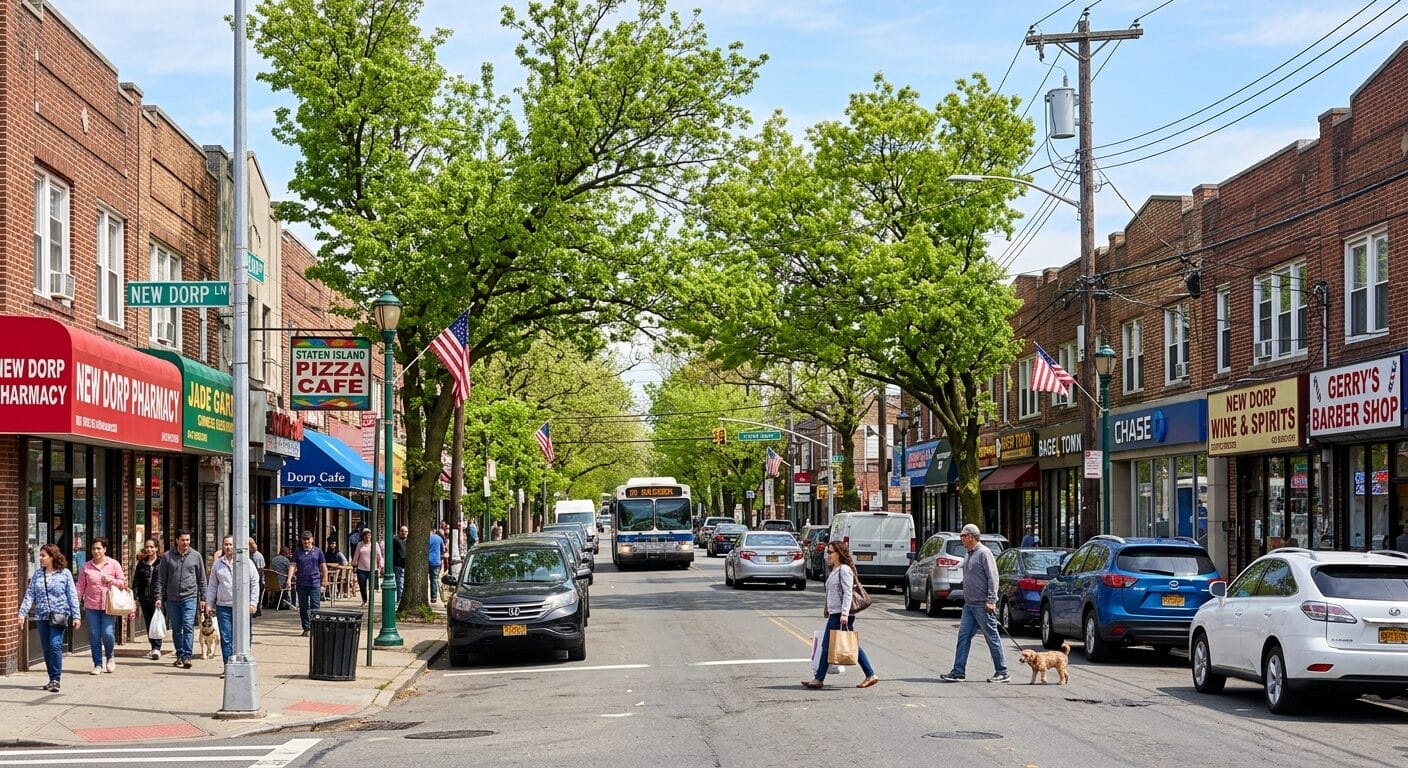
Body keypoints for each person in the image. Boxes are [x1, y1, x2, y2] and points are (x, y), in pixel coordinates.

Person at [801, 540, 878, 689]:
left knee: (827, 645)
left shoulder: (844, 570)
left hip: (841, 614)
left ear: (839, 553)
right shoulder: (835, 569)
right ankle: (870, 674)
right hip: (835, 612)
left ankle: (819, 679)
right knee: (847, 644)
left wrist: (844, 614)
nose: (828, 555)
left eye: (830, 552)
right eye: (827, 552)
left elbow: (848, 593)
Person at [941, 524, 1009, 683]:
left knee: (991, 637)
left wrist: (991, 600)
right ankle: (958, 671)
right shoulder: (969, 554)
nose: (961, 539)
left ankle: (1002, 671)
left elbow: (993, 578)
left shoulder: (984, 553)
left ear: (971, 536)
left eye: (963, 536)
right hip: (969, 604)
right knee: (963, 636)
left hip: (982, 604)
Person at [17, 544, 81, 692]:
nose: (40, 558)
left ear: (52, 557)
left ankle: (56, 679)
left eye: (43, 556)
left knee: (55, 645)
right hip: (42, 616)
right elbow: (30, 595)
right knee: (46, 649)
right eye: (40, 555)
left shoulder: (65, 574)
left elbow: (72, 595)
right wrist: (22, 613)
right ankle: (52, 678)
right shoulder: (38, 574)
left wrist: (76, 616)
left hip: (59, 615)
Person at [154, 529, 207, 670]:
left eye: (188, 540)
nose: (185, 543)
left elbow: (202, 579)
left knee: (188, 626)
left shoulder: (196, 556)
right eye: (183, 540)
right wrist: (159, 597)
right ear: (177, 540)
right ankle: (179, 655)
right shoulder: (168, 557)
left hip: (190, 596)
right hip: (172, 598)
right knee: (177, 628)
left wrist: (204, 597)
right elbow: (161, 579)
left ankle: (187, 656)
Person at [206, 535, 259, 672]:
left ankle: (243, 665)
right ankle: (229, 667)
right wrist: (209, 603)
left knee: (245, 637)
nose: (228, 547)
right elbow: (212, 585)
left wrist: (253, 603)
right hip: (224, 606)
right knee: (226, 638)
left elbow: (254, 582)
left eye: (231, 544)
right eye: (226, 544)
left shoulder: (246, 562)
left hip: (242, 607)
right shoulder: (218, 564)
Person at [76, 537, 127, 675]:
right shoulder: (86, 567)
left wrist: (112, 580)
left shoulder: (114, 564)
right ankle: (98, 664)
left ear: (104, 549)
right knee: (94, 634)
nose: (96, 551)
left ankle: (110, 656)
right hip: (91, 605)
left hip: (109, 605)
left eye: (99, 548)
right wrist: (76, 602)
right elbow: (80, 586)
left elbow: (123, 583)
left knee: (108, 633)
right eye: (93, 548)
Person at [289, 531, 329, 637]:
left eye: (308, 539)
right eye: (304, 539)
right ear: (301, 540)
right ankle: (306, 628)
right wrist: (289, 579)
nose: (306, 541)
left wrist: (325, 580)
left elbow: (323, 567)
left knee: (315, 606)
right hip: (301, 583)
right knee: (303, 607)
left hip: (314, 582)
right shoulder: (298, 552)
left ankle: (315, 628)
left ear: (312, 539)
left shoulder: (318, 552)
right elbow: (293, 565)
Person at [132, 538, 165, 659]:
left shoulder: (162, 562)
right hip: (144, 597)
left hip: (158, 597)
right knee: (149, 622)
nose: (149, 549)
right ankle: (153, 647)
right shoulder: (142, 563)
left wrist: (161, 596)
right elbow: (136, 581)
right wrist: (135, 597)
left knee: (157, 621)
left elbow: (165, 580)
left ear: (156, 548)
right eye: (147, 547)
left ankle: (157, 647)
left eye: (151, 547)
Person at [353, 528, 383, 606]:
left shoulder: (375, 544)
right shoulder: (359, 545)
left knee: (372, 586)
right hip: (361, 568)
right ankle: (365, 600)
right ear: (363, 536)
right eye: (365, 535)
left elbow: (379, 555)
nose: (367, 537)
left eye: (369, 535)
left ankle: (371, 600)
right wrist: (354, 564)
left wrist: (380, 566)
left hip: (372, 568)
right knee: (362, 585)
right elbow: (356, 555)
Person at [271, 545, 293, 610]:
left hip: (272, 583)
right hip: (281, 583)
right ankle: (291, 604)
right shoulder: (286, 560)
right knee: (293, 585)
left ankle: (275, 603)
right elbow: (291, 571)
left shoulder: (274, 559)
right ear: (285, 553)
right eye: (288, 553)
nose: (289, 555)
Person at [248, 538, 266, 618]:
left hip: (257, 579)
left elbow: (260, 569)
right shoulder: (248, 555)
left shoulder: (258, 555)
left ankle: (256, 610)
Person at [428, 525, 445, 602]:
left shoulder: (425, 539)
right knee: (434, 580)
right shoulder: (439, 538)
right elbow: (442, 549)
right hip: (436, 561)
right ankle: (434, 597)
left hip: (426, 561)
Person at [393, 526, 408, 606]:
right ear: (399, 532)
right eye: (402, 531)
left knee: (404, 583)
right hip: (398, 565)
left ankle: (402, 598)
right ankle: (400, 599)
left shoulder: (409, 540)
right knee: (400, 582)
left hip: (407, 565)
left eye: (406, 531)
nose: (404, 533)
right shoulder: (396, 540)